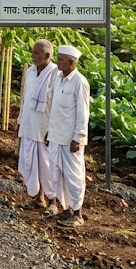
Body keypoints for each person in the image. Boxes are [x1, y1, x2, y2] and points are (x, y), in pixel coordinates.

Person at [45, 45, 91, 227]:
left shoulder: (80, 82)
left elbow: (83, 113)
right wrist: (50, 130)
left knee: (73, 176)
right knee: (56, 174)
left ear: (72, 63)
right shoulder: (58, 78)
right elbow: (55, 109)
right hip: (56, 135)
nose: (58, 62)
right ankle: (66, 210)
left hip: (71, 140)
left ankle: (78, 214)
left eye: (62, 59)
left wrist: (78, 137)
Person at [17, 39, 58, 209]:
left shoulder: (56, 73)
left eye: (37, 53)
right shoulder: (31, 72)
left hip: (45, 127)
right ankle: (39, 198)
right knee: (32, 163)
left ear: (47, 56)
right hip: (29, 123)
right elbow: (25, 99)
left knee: (47, 165)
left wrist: (53, 130)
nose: (33, 56)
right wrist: (20, 121)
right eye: (33, 52)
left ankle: (53, 201)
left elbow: (56, 104)